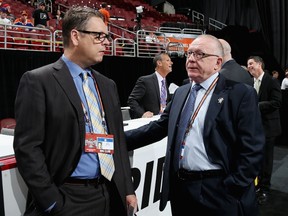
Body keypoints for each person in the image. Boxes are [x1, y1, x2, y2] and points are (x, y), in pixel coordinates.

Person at [13, 6, 137, 216]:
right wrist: (52, 202)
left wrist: (126, 188)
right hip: (68, 197)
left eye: (106, 36)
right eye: (99, 36)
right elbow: (27, 148)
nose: (106, 42)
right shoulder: (38, 81)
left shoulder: (107, 85)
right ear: (75, 36)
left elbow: (117, 141)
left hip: (109, 193)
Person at [125, 34, 265, 216]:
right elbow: (159, 127)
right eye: (189, 54)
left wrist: (233, 185)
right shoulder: (182, 93)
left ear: (217, 63)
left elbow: (253, 148)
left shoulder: (240, 94)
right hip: (181, 189)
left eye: (200, 54)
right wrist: (117, 140)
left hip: (219, 191)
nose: (191, 59)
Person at [247, 55, 282, 205]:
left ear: (260, 64)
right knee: (256, 158)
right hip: (254, 128)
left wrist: (256, 105)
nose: (249, 67)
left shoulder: (271, 81)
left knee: (266, 160)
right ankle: (256, 185)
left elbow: (276, 102)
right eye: (247, 65)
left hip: (268, 128)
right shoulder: (250, 82)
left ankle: (265, 189)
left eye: (251, 64)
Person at [127, 53, 173, 119]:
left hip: (162, 119)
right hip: (149, 123)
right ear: (159, 63)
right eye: (168, 60)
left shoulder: (164, 81)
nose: (171, 63)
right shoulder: (145, 81)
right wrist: (142, 113)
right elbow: (132, 100)